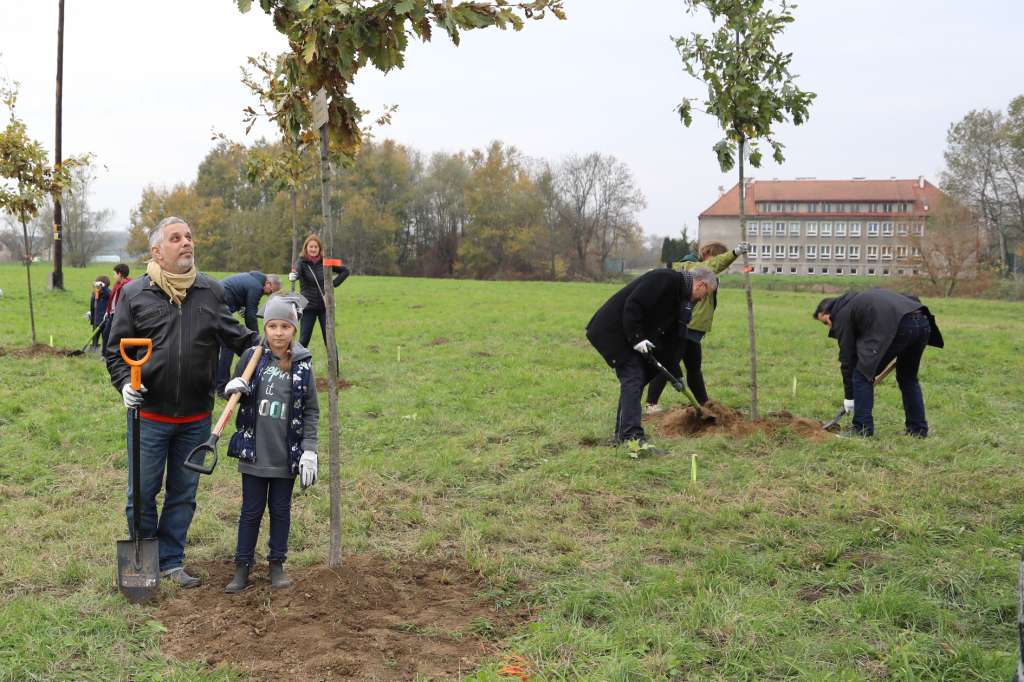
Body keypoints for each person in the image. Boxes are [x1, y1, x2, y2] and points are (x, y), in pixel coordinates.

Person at [106, 216, 261, 587]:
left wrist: (274, 343)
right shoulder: (134, 293)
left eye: (189, 236)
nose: (186, 243)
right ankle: (143, 563)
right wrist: (125, 384)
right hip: (149, 416)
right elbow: (115, 352)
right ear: (157, 252)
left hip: (195, 418)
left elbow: (242, 339)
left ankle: (171, 561)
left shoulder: (210, 291)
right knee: (141, 495)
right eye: (176, 238)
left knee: (184, 494)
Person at [222, 292, 320, 593]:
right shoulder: (253, 359)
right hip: (254, 452)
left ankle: (276, 564)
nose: (278, 333)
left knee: (280, 510)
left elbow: (312, 411)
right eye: (273, 326)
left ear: (295, 329)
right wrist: (232, 387)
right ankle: (242, 568)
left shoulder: (303, 365)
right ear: (265, 328)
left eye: (285, 327)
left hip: (284, 455)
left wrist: (309, 451)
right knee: (250, 511)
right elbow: (234, 392)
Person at [586, 265, 717, 454]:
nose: (703, 298)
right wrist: (636, 338)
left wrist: (676, 374)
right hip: (615, 329)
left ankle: (622, 436)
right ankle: (633, 439)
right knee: (633, 378)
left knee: (636, 380)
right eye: (706, 293)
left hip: (630, 334)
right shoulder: (664, 278)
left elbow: (674, 340)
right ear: (700, 285)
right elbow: (633, 304)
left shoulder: (683, 302)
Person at [814, 287, 943, 437]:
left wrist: (850, 398)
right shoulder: (863, 300)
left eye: (826, 322)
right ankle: (918, 431)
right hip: (923, 323)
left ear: (831, 312)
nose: (830, 327)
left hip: (900, 327)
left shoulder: (841, 314)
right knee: (908, 378)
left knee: (862, 375)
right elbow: (911, 298)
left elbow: (848, 358)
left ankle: (862, 430)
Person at [645, 241, 749, 414]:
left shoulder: (704, 267)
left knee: (694, 367)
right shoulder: (691, 266)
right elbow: (712, 265)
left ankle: (703, 403)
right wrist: (735, 253)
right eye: (718, 259)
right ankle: (650, 404)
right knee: (668, 363)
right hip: (684, 323)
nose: (719, 264)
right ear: (706, 254)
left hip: (693, 326)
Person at [289, 234, 349, 375]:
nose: (313, 249)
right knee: (304, 340)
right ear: (306, 248)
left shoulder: (327, 261)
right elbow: (296, 271)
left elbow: (345, 270)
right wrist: (293, 275)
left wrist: (332, 285)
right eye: (311, 247)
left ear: (320, 248)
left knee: (329, 340)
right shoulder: (301, 262)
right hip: (308, 307)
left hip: (324, 308)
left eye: (316, 247)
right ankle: (295, 370)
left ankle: (336, 372)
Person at [216, 271, 282, 397]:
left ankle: (215, 384)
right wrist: (257, 340)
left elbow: (240, 294)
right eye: (271, 291)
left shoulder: (253, 280)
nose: (269, 295)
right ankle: (221, 388)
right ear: (268, 283)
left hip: (215, 304)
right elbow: (251, 316)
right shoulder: (257, 286)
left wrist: (239, 305)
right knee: (227, 345)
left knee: (215, 345)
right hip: (217, 306)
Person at [102, 264, 133, 355]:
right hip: (112, 314)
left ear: (120, 274)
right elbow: (112, 300)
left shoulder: (128, 286)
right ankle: (105, 354)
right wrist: (107, 312)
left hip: (121, 315)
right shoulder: (117, 285)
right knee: (106, 333)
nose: (114, 276)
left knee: (119, 335)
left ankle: (120, 354)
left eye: (115, 274)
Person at [85, 276, 111, 350]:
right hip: (95, 318)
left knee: (104, 335)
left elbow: (109, 294)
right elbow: (94, 304)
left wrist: (104, 287)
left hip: (103, 319)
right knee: (95, 335)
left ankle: (105, 350)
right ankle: (94, 346)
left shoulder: (107, 293)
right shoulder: (95, 293)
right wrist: (90, 311)